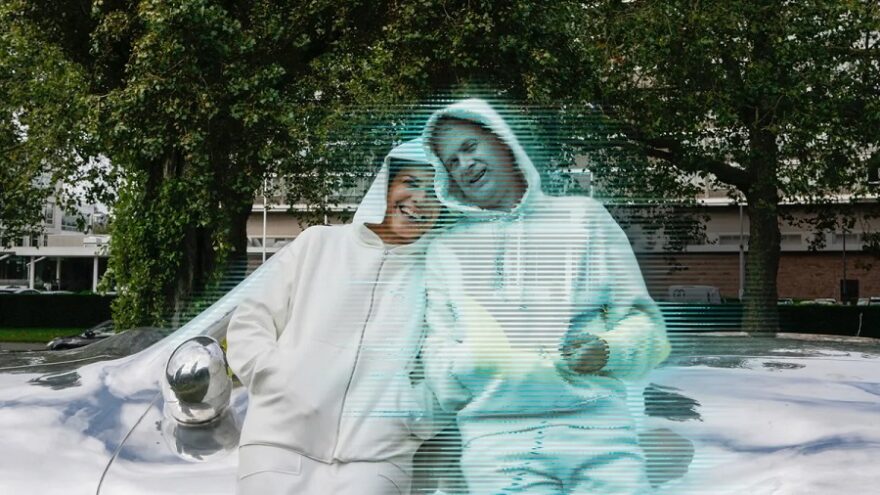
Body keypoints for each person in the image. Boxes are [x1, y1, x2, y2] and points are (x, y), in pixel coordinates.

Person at [420, 98, 671, 494]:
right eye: (451, 161)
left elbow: (647, 329)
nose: (464, 165)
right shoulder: (445, 249)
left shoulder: (584, 218)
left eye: (470, 147)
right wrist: (476, 365)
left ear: (502, 141)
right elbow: (437, 350)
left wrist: (609, 351)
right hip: (497, 445)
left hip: (600, 435)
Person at [227, 138, 443, 495]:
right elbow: (252, 318)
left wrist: (411, 416)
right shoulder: (317, 243)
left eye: (435, 192)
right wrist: (275, 379)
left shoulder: (438, 275)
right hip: (278, 443)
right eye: (411, 182)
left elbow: (453, 364)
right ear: (387, 184)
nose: (420, 199)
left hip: (376, 460)